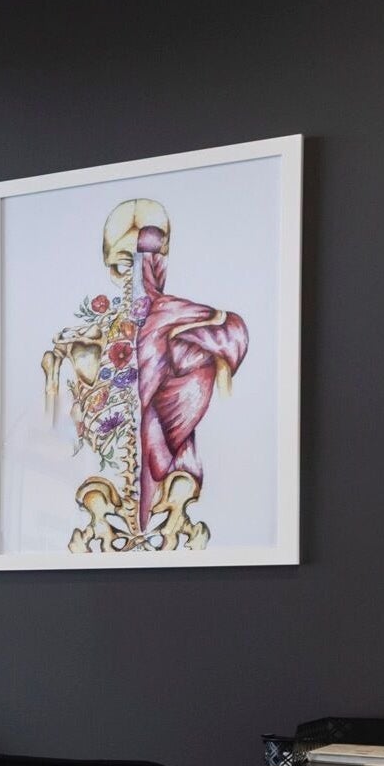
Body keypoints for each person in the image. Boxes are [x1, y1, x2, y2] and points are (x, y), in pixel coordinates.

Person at [39, 199, 247, 551]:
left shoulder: (180, 322)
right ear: (110, 262)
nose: (138, 262)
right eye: (128, 254)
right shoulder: (83, 339)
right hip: (104, 481)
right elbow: (55, 429)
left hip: (166, 476)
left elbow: (228, 335)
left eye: (150, 250)